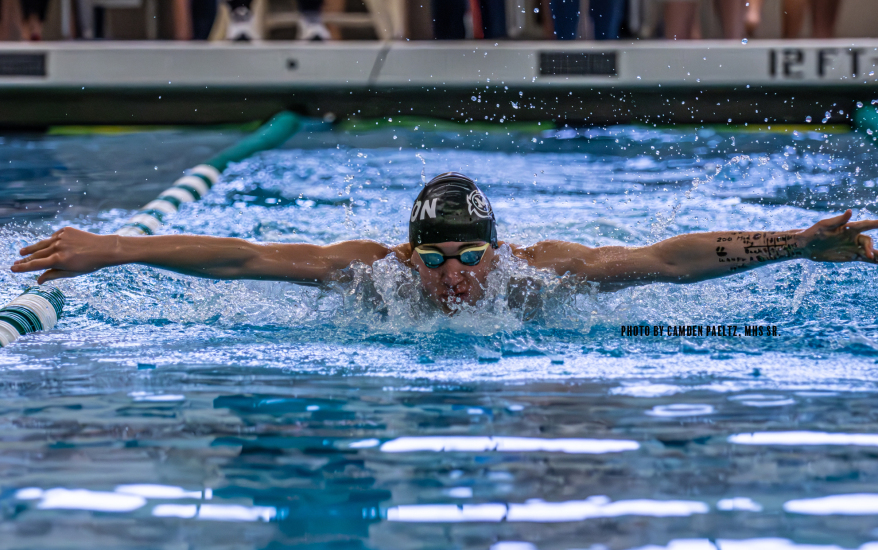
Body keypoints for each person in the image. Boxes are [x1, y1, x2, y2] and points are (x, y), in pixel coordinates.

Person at [10, 173, 878, 316]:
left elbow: (668, 260)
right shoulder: (370, 276)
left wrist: (794, 244)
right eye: (433, 259)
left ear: (499, 253)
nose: (455, 276)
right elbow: (241, 255)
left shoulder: (544, 278)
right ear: (407, 252)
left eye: (470, 258)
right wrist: (119, 245)